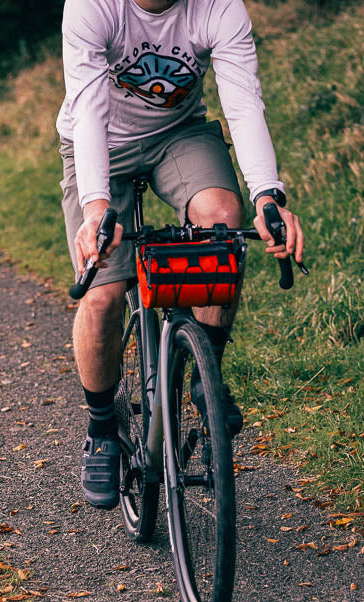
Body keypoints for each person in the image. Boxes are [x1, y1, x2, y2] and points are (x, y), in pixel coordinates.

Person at [57, 0, 306, 510]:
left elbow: (242, 102)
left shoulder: (218, 7)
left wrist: (267, 197)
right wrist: (98, 209)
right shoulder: (92, 6)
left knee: (222, 224)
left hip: (180, 135)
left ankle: (204, 375)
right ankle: (102, 426)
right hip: (100, 141)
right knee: (103, 293)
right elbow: (87, 108)